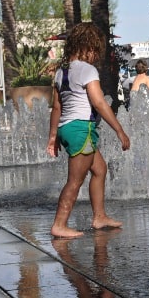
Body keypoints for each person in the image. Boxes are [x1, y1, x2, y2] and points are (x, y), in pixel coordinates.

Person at [46, 22, 131, 239]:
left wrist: (53, 137)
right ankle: (59, 224)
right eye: (94, 50)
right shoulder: (87, 70)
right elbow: (100, 103)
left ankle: (99, 216)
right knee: (75, 180)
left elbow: (57, 107)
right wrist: (119, 130)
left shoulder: (61, 72)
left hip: (67, 127)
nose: (95, 55)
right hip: (81, 128)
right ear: (86, 46)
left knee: (99, 169)